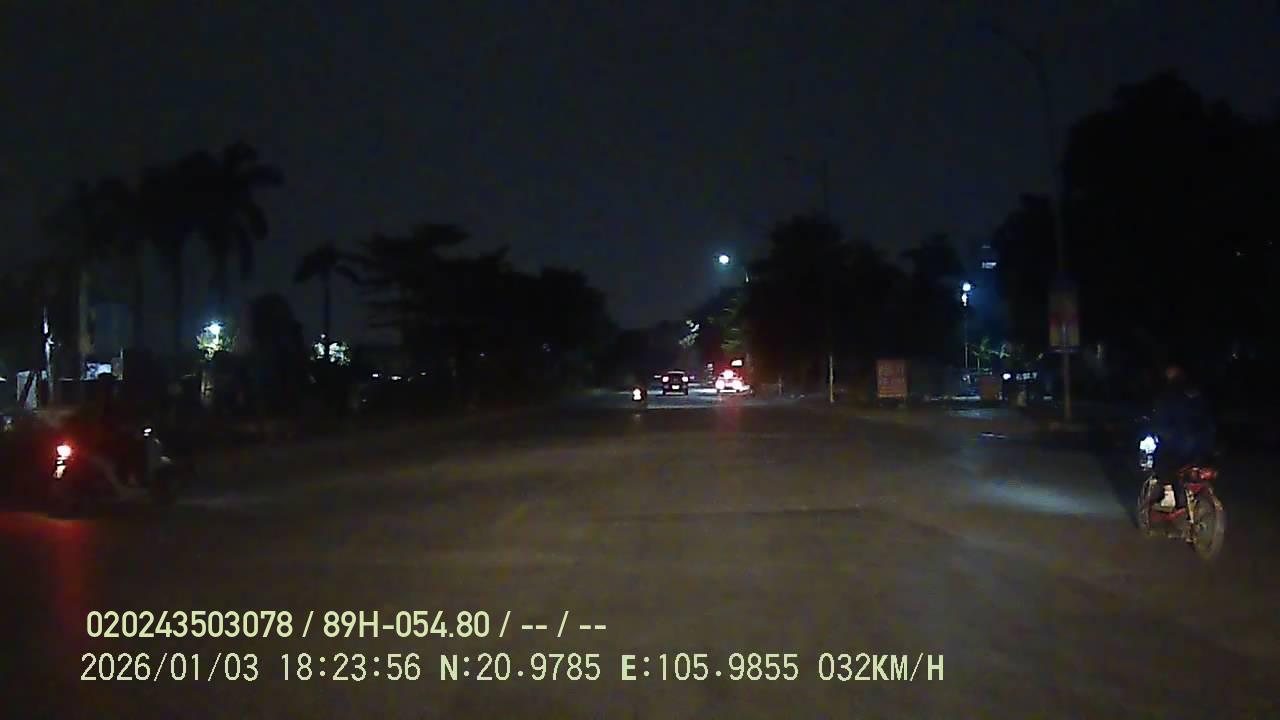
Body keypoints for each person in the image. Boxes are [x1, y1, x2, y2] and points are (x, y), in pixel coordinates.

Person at [1149, 363, 1216, 510]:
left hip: (1180, 444)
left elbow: (1161, 421)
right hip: (1203, 445)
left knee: (1161, 459)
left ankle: (1168, 495)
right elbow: (1208, 420)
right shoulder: (1196, 394)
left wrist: (1159, 432)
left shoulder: (1167, 396)